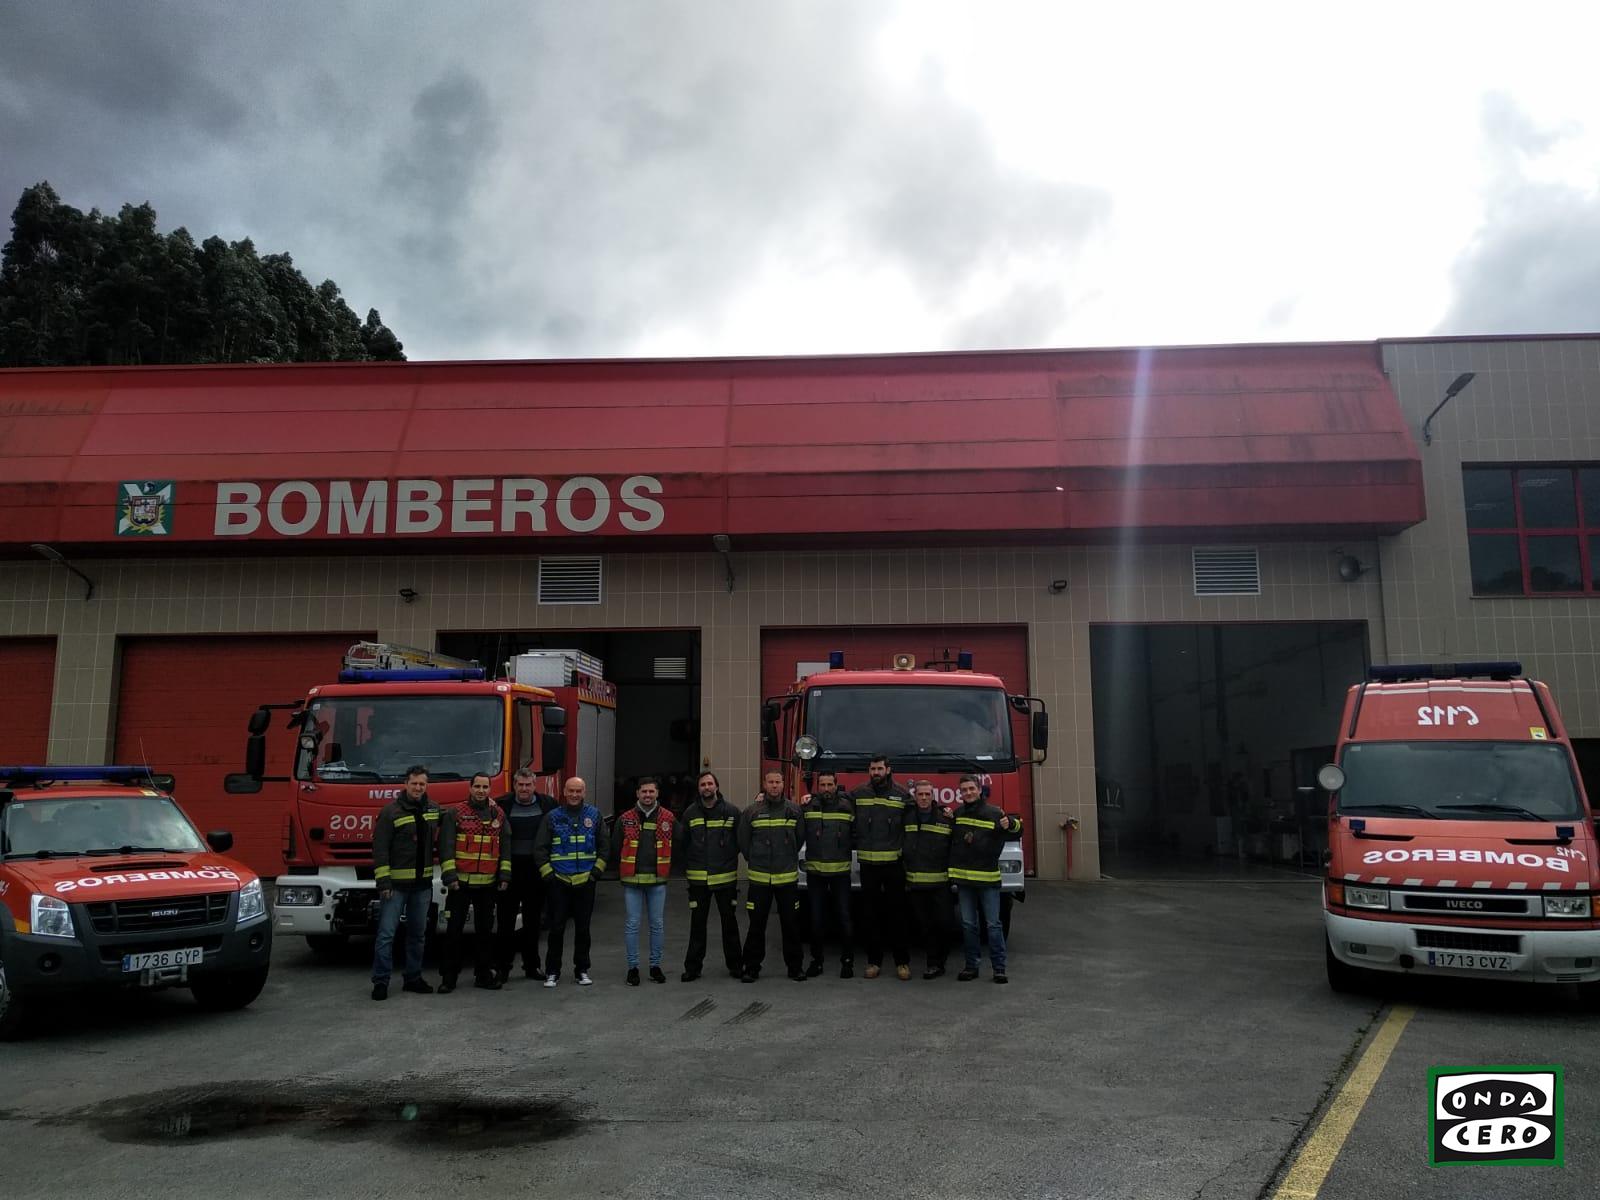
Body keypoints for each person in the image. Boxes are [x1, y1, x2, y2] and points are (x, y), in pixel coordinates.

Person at [369, 764, 457, 1001]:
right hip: (395, 888)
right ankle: (380, 981)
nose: (418, 787)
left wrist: (488, 802)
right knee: (386, 935)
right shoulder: (391, 813)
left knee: (418, 935)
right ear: (405, 784)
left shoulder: (432, 809)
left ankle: (413, 978)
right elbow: (380, 849)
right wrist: (384, 883)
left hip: (421, 887)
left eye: (422, 784)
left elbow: (452, 816)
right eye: (414, 783)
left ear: (426, 786)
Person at [533, 776, 609, 987]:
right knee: (556, 929)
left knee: (583, 929)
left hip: (586, 881)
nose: (575, 795)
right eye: (571, 791)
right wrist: (549, 875)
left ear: (584, 793)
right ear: (564, 793)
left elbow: (605, 846)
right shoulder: (552, 817)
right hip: (559, 881)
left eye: (579, 791)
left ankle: (582, 970)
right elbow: (540, 848)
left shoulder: (594, 816)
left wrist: (595, 874)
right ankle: (552, 972)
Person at [439, 772, 510, 993]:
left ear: (490, 790)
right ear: (470, 788)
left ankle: (483, 975)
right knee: (453, 933)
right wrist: (450, 877)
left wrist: (504, 876)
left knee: (485, 933)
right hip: (460, 884)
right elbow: (446, 846)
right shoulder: (456, 813)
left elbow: (505, 847)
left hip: (488, 885)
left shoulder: (498, 814)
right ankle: (448, 978)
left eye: (485, 787)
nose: (481, 790)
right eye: (477, 786)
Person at [949, 775, 1023, 984]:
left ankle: (999, 968)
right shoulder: (958, 814)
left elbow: (1017, 830)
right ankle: (971, 966)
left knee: (993, 925)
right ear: (960, 793)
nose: (968, 792)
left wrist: (1012, 823)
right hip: (964, 882)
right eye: (964, 790)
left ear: (979, 790)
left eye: (971, 788)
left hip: (988, 881)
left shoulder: (994, 813)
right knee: (968, 925)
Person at [737, 770, 806, 983]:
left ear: (783, 784)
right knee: (756, 925)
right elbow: (743, 842)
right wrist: (755, 860)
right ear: (764, 784)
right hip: (759, 880)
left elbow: (799, 837)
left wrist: (786, 858)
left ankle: (795, 968)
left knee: (791, 926)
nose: (774, 786)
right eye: (771, 782)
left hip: (786, 879)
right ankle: (751, 967)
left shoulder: (794, 811)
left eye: (778, 782)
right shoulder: (751, 812)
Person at [848, 754, 912, 980]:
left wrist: (944, 811)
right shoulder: (858, 794)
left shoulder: (903, 795)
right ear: (869, 771)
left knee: (898, 915)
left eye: (880, 769)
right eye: (873, 769)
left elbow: (919, 815)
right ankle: (873, 962)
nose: (876, 773)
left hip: (894, 865)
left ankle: (902, 963)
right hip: (868, 866)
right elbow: (834, 800)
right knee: (870, 915)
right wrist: (810, 799)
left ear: (888, 769)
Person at [676, 770, 742, 982]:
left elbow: (740, 841)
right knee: (697, 926)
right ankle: (693, 968)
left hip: (725, 879)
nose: (706, 788)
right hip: (698, 880)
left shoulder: (732, 812)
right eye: (702, 784)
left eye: (709, 784)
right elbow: (682, 844)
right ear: (699, 789)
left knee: (730, 925)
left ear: (717, 787)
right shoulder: (690, 813)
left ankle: (736, 966)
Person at [494, 767, 556, 984]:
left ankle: (532, 966)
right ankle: (503, 968)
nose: (524, 789)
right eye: (520, 785)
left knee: (533, 922)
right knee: (505, 922)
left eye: (528, 785)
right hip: (509, 869)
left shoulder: (548, 804)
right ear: (514, 785)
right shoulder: (502, 805)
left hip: (535, 869)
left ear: (534, 785)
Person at [617, 776, 676, 985]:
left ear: (657, 793)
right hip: (632, 882)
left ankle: (655, 966)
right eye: (644, 791)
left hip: (657, 881)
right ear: (637, 794)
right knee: (633, 925)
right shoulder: (625, 818)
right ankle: (633, 968)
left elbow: (679, 844)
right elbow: (616, 846)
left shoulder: (669, 818)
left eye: (651, 791)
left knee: (657, 925)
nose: (648, 795)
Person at [801, 770, 855, 978]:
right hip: (815, 874)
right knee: (816, 919)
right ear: (817, 786)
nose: (825, 789)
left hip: (841, 873)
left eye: (829, 785)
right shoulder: (807, 807)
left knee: (844, 918)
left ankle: (847, 962)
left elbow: (857, 832)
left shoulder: (848, 806)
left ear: (836, 785)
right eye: (822, 785)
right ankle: (817, 961)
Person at [902, 779, 956, 979]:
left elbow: (955, 847)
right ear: (914, 797)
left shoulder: (946, 817)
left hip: (940, 884)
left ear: (933, 796)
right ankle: (933, 964)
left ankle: (941, 960)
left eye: (927, 794)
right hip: (915, 884)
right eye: (920, 794)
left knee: (944, 924)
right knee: (925, 926)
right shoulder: (906, 817)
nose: (924, 798)